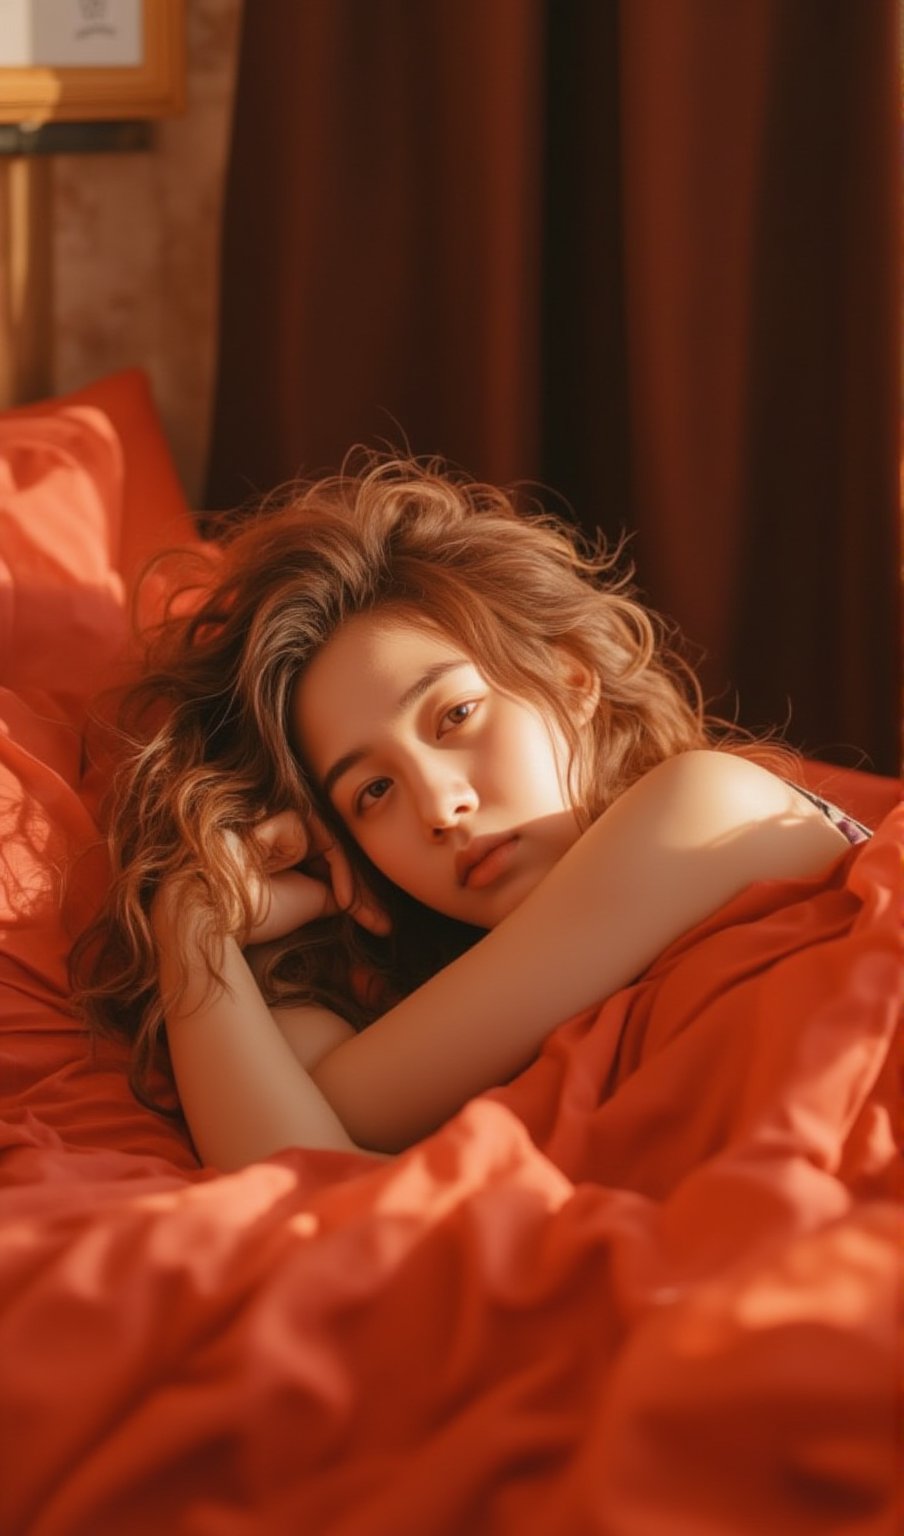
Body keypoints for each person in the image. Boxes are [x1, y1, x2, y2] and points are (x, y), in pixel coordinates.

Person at [73, 456, 863, 1169]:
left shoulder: (706, 805)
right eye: (371, 793)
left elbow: (315, 1130)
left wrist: (201, 945)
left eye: (455, 717)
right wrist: (192, 915)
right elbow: (303, 1186)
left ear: (571, 677)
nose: (441, 807)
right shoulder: (402, 1007)